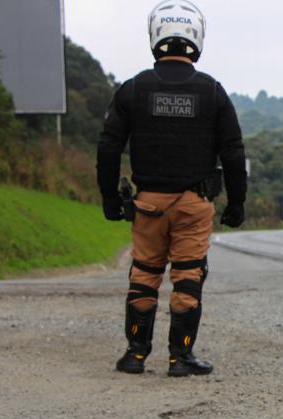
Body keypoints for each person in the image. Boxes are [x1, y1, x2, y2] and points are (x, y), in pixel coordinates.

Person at [97, 0, 247, 377]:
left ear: (156, 36)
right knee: (188, 276)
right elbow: (233, 151)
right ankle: (179, 358)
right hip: (194, 204)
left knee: (144, 274)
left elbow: (109, 146)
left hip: (147, 203)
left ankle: (134, 355)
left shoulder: (133, 89)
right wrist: (236, 202)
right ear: (196, 38)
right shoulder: (213, 92)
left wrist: (109, 197)